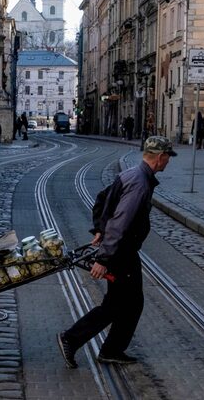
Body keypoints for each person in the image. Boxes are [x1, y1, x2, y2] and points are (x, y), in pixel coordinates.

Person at [57, 136, 177, 368]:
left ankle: (110, 349)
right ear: (160, 157)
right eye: (168, 158)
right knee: (118, 304)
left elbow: (104, 200)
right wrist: (103, 258)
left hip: (122, 250)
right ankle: (71, 339)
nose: (168, 162)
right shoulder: (140, 183)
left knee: (130, 303)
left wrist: (100, 230)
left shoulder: (131, 174)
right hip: (121, 253)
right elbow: (120, 221)